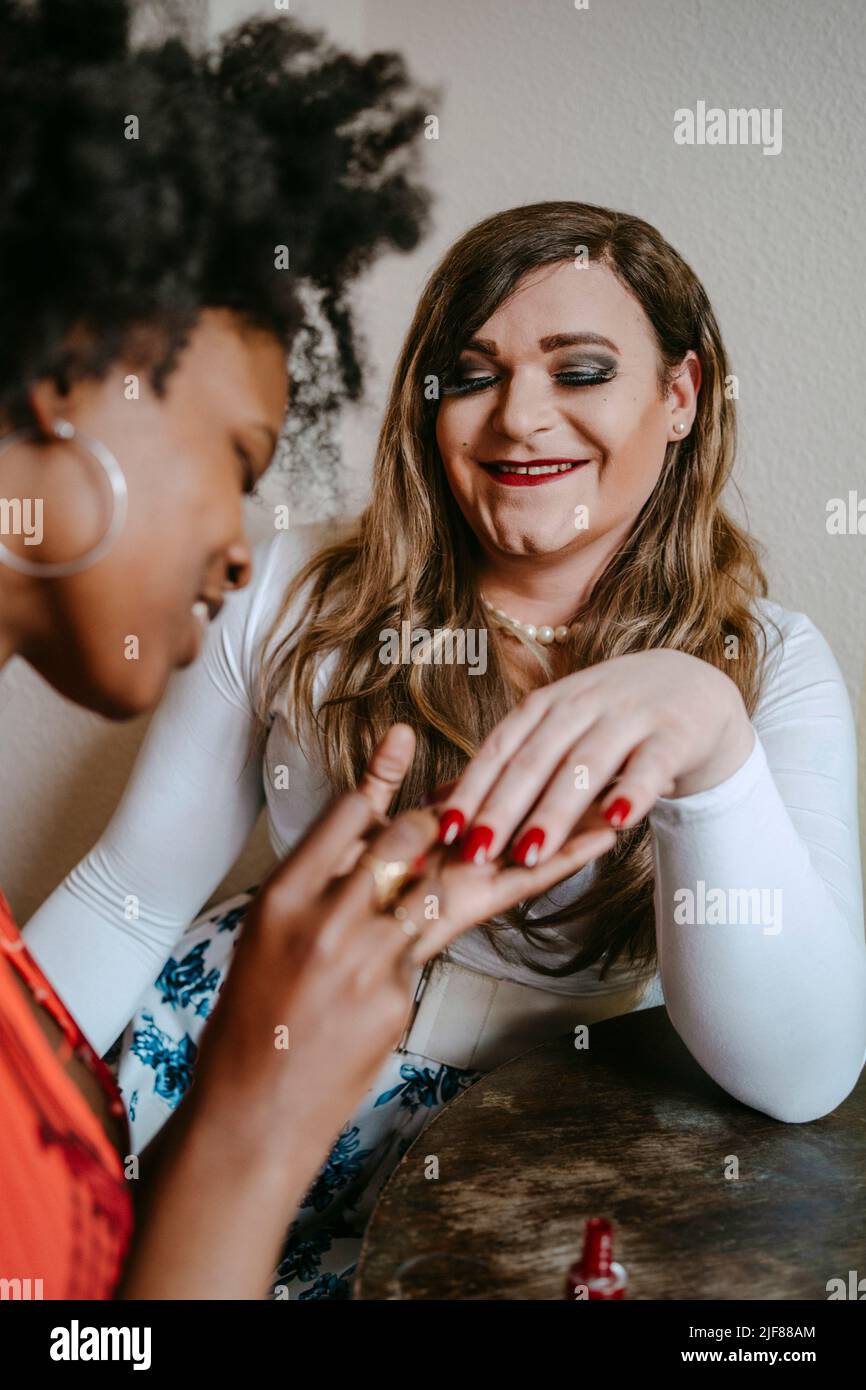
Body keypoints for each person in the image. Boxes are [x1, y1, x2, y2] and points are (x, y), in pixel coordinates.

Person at [27, 197, 866, 1298]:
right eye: (471, 375)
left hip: (520, 1144)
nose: (520, 418)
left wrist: (706, 737)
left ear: (678, 396)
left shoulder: (771, 668)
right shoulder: (285, 588)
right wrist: (15, 1116)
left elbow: (797, 1077)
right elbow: (126, 898)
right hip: (229, 1067)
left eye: (577, 371)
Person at [0, 0, 617, 1300]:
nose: (237, 548)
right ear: (66, 378)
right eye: (234, 460)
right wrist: (250, 1121)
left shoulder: (744, 660)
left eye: (581, 371)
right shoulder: (288, 590)